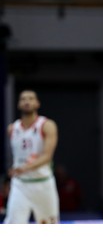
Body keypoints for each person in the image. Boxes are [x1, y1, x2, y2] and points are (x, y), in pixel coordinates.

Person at [4, 90, 60, 224]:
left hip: (43, 183)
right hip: (20, 185)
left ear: (37, 103)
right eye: (23, 99)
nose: (27, 101)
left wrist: (24, 168)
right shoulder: (12, 128)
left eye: (30, 98)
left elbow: (47, 156)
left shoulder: (47, 125)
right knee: (12, 229)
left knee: (49, 228)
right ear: (18, 104)